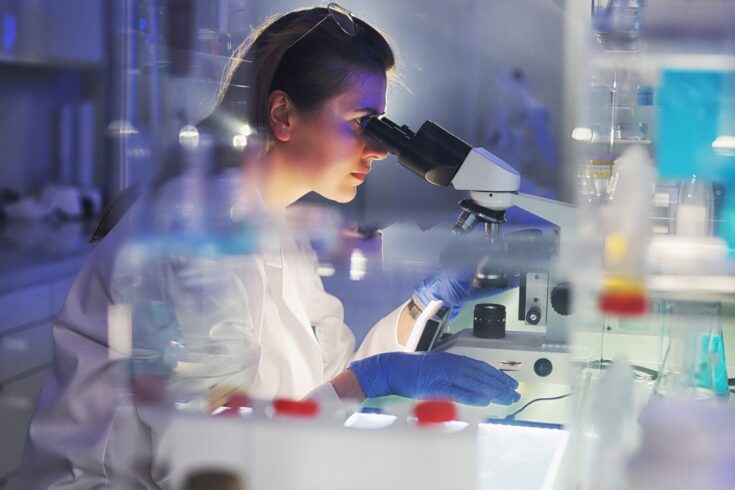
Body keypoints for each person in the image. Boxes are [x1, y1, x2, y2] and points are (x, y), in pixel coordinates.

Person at [21, 4, 519, 488]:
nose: (381, 150)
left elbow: (331, 383)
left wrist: (422, 305)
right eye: (362, 124)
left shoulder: (274, 225)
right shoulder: (197, 238)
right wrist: (376, 378)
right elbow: (209, 462)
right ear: (283, 114)